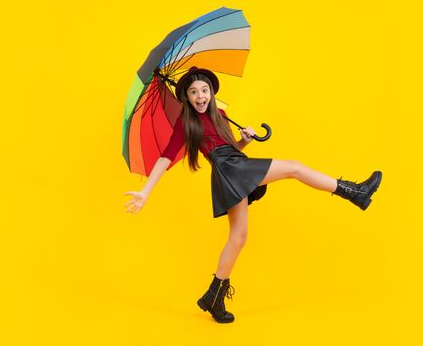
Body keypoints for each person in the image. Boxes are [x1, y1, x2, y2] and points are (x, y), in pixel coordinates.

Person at [124, 66, 382, 324]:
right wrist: (146, 192)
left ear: (212, 93)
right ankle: (354, 191)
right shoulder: (186, 122)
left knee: (239, 237)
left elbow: (230, 148)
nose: (200, 96)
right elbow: (165, 157)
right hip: (229, 170)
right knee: (294, 167)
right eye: (193, 92)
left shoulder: (221, 114)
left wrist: (245, 139)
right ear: (187, 98)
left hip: (233, 167)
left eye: (204, 90)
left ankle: (214, 296)